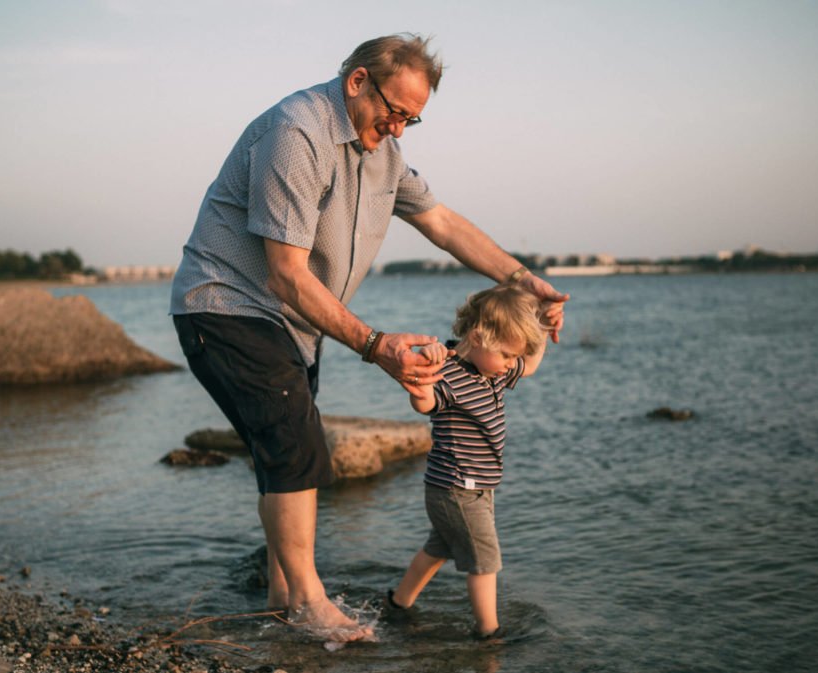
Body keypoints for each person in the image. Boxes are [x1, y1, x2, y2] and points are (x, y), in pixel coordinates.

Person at [169, 33, 568, 641]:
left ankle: (282, 595)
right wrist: (376, 344)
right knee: (296, 444)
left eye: (414, 118)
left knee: (283, 453)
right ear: (358, 81)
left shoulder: (383, 154)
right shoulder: (297, 133)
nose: (401, 128)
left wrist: (523, 281)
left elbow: (441, 222)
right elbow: (285, 273)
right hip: (227, 304)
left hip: (294, 326)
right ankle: (308, 602)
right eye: (395, 110)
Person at [387, 284, 550, 638]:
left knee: (439, 547)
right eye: (507, 355)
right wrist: (424, 374)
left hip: (471, 488)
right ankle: (488, 633)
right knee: (485, 561)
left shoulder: (491, 370)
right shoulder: (447, 371)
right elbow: (426, 404)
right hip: (457, 488)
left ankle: (398, 605)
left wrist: (547, 326)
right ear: (477, 337)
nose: (511, 365)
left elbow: (531, 364)